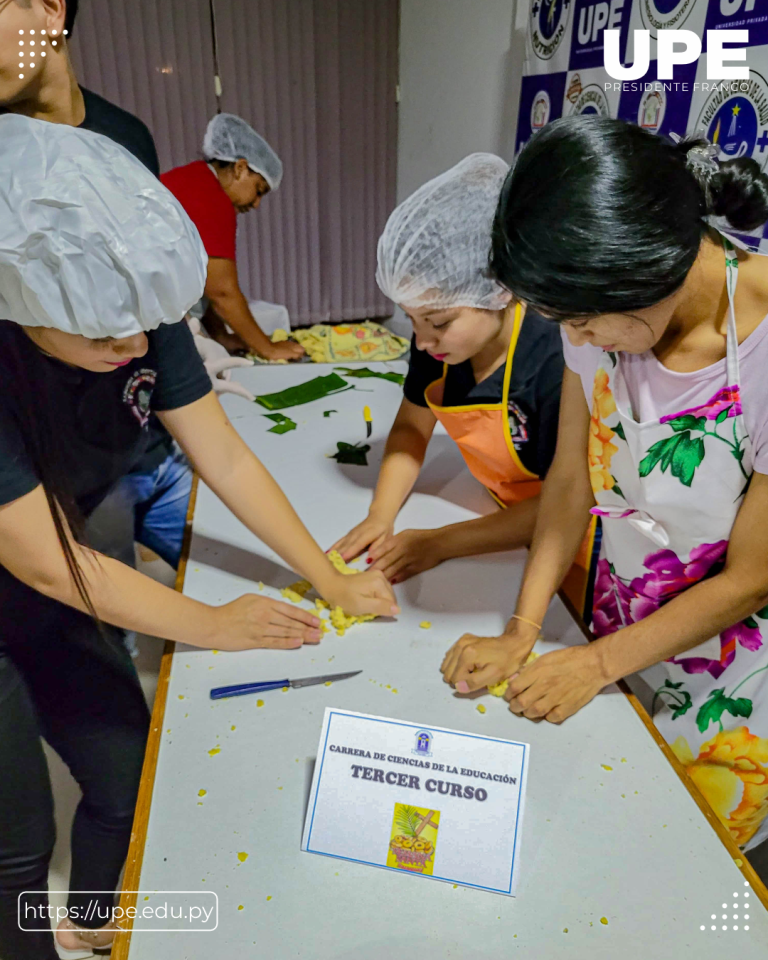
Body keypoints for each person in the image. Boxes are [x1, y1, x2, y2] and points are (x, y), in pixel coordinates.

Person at [0, 116, 397, 960]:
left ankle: (98, 926)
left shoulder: (135, 309)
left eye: (145, 327)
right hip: (34, 566)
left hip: (59, 577)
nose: (135, 347)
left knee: (125, 772)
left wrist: (327, 577)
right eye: (105, 338)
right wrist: (216, 624)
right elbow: (40, 557)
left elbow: (221, 451)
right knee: (18, 844)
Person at [442, 115, 768, 856]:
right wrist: (523, 633)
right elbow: (566, 483)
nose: (579, 344)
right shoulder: (592, 307)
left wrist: (593, 665)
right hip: (620, 618)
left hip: (740, 663)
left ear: (653, 268)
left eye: (588, 326)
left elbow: (753, 577)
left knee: (680, 856)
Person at [0, 0, 250, 575]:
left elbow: (147, 308)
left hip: (131, 437)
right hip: (45, 479)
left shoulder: (123, 137)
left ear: (48, 10)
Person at [333, 154, 596, 616]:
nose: (421, 339)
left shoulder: (556, 361)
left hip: (571, 538)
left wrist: (441, 543)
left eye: (438, 321)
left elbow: (569, 496)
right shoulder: (436, 345)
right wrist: (381, 514)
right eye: (412, 320)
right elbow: (411, 429)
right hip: (494, 516)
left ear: (499, 289)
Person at [160, 112, 305, 363]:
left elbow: (202, 284)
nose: (257, 204)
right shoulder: (210, 198)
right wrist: (268, 349)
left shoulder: (192, 180)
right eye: (258, 190)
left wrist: (220, 335)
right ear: (240, 168)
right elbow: (222, 293)